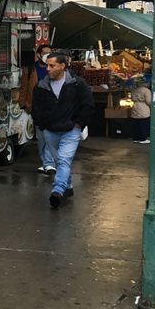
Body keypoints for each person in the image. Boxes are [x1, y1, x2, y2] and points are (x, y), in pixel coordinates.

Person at [31, 52, 94, 209]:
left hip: (70, 129)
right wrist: (42, 124)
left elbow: (88, 104)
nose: (48, 69)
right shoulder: (41, 86)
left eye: (52, 65)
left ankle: (58, 190)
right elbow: (36, 107)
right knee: (60, 161)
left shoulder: (78, 84)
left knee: (64, 159)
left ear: (62, 66)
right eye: (47, 65)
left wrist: (79, 123)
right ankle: (69, 187)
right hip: (50, 130)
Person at [19, 44, 56, 174]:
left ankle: (49, 163)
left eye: (49, 53)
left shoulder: (54, 68)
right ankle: (46, 162)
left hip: (52, 105)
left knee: (50, 134)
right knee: (41, 136)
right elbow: (24, 85)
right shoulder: (31, 68)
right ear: (38, 54)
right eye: (45, 53)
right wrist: (24, 103)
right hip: (37, 106)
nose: (47, 56)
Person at [130, 77, 152, 144]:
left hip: (135, 107)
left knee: (136, 123)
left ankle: (135, 138)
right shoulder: (146, 90)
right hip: (143, 107)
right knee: (143, 124)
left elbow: (132, 99)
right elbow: (148, 101)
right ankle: (142, 139)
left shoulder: (134, 90)